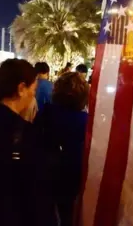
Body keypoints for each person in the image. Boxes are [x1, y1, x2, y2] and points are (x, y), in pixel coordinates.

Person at [0, 59, 57, 226]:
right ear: (21, 88)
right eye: (33, 90)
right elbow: (37, 192)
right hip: (10, 214)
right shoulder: (26, 132)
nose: (32, 96)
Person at [34, 72, 89, 226]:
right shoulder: (84, 121)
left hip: (44, 169)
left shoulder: (46, 112)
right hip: (71, 171)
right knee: (67, 212)